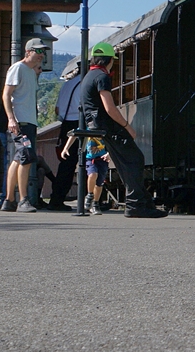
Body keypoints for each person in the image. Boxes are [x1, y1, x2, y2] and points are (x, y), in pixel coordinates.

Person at [78, 41, 166, 219]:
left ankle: (142, 202)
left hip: (95, 124)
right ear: (109, 60)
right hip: (105, 124)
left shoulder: (88, 76)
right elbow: (109, 108)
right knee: (135, 159)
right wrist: (127, 126)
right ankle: (135, 204)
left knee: (125, 161)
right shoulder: (102, 77)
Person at [1, 38, 49, 212]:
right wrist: (11, 118)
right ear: (28, 51)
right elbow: (6, 94)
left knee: (19, 158)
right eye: (38, 51)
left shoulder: (30, 72)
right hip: (20, 121)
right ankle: (23, 200)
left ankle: (8, 200)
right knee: (27, 157)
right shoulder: (18, 68)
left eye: (43, 51)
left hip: (29, 121)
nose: (41, 55)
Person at [46, 59, 88, 210]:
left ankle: (56, 198)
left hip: (65, 125)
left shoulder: (67, 84)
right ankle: (90, 199)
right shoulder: (85, 84)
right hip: (79, 122)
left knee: (66, 165)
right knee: (89, 162)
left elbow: (57, 109)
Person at [83, 132, 110, 214]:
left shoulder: (104, 130)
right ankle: (89, 195)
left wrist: (109, 153)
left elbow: (113, 143)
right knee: (93, 174)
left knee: (99, 183)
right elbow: (73, 135)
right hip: (91, 159)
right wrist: (66, 148)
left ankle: (95, 203)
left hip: (103, 159)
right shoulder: (87, 130)